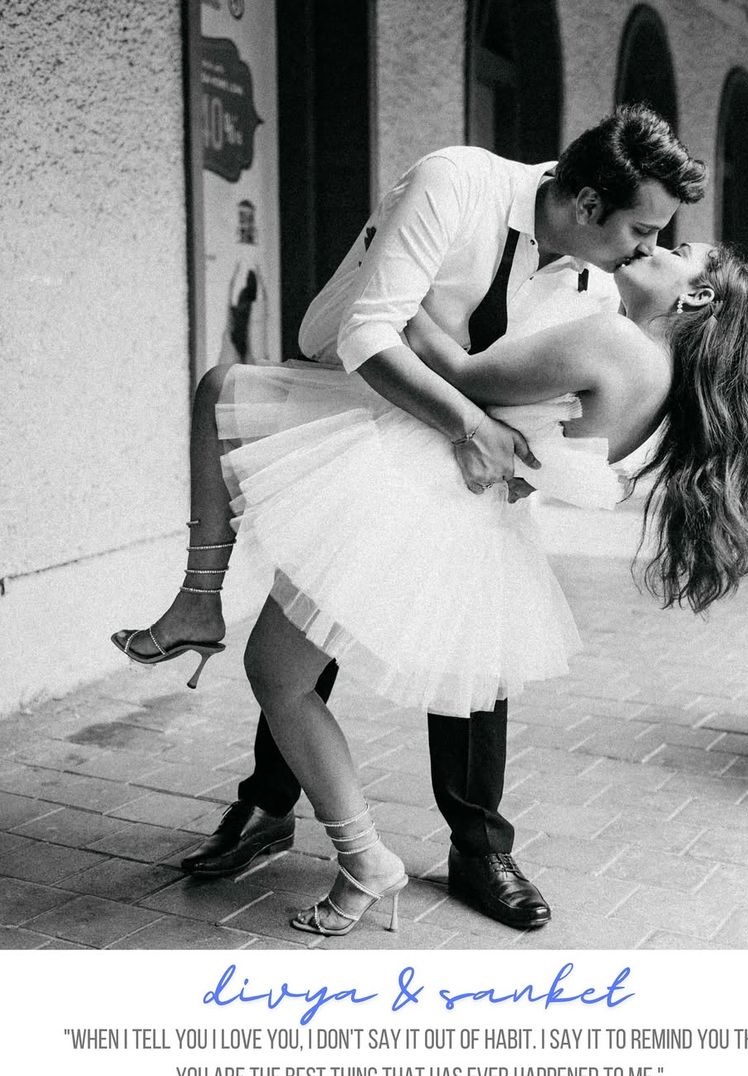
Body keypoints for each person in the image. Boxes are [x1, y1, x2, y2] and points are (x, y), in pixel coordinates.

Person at [114, 105, 709, 932]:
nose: (646, 248)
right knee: (300, 597)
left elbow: (519, 407)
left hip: (447, 459)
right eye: (642, 230)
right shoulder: (457, 183)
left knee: (456, 651)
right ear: (585, 204)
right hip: (371, 393)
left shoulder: (601, 291)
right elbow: (370, 334)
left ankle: (471, 846)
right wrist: (470, 423)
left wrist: (498, 443)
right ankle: (268, 789)